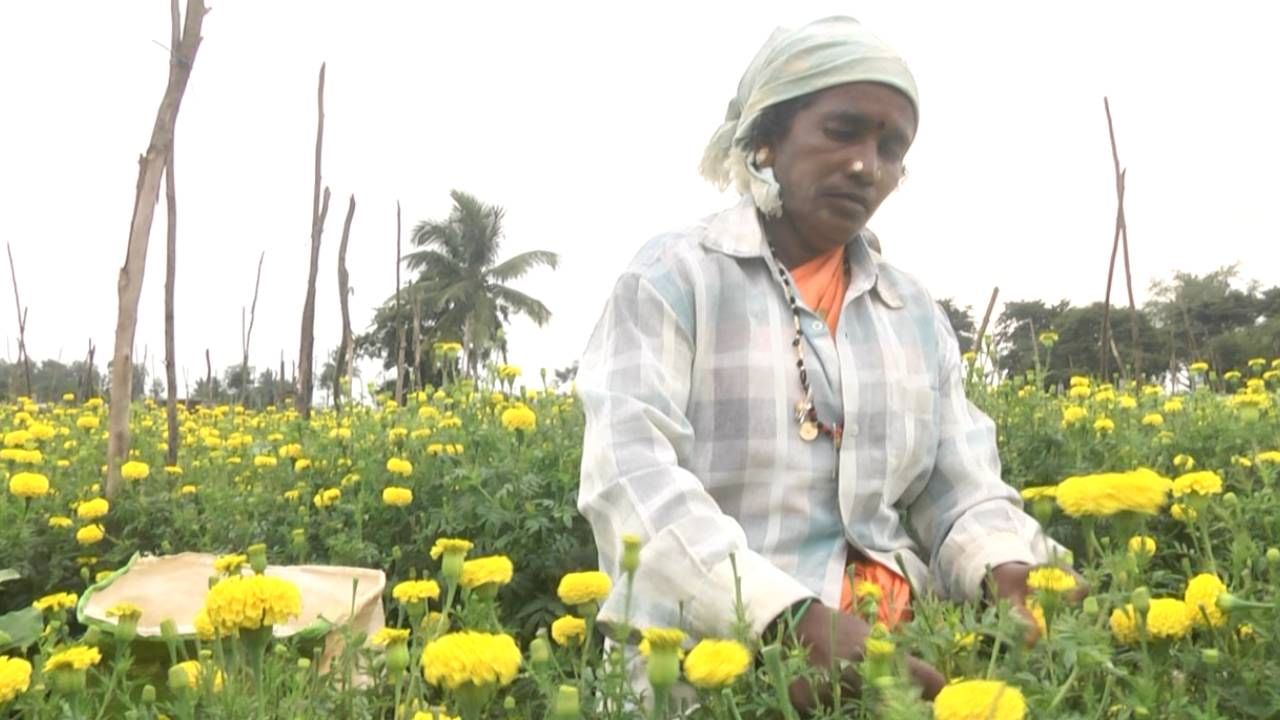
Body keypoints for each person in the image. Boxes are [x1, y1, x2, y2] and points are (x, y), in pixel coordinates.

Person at [576, 15, 1074, 706]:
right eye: (843, 131)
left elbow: (958, 486)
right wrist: (786, 622)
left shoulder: (912, 312)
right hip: (714, 669)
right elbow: (631, 481)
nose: (868, 165)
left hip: (912, 667)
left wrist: (1006, 567)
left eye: (891, 147)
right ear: (765, 141)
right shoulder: (674, 278)